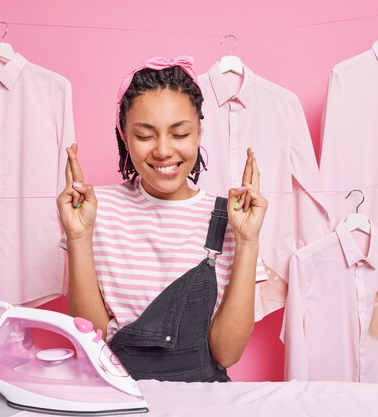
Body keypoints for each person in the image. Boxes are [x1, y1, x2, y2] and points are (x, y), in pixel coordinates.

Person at [57, 56, 268, 382]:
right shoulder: (96, 210)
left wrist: (248, 241)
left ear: (199, 133)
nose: (163, 150)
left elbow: (227, 353)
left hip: (203, 402)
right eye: (144, 136)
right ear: (124, 138)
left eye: (180, 133)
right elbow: (92, 340)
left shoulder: (231, 218)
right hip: (120, 398)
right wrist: (79, 237)